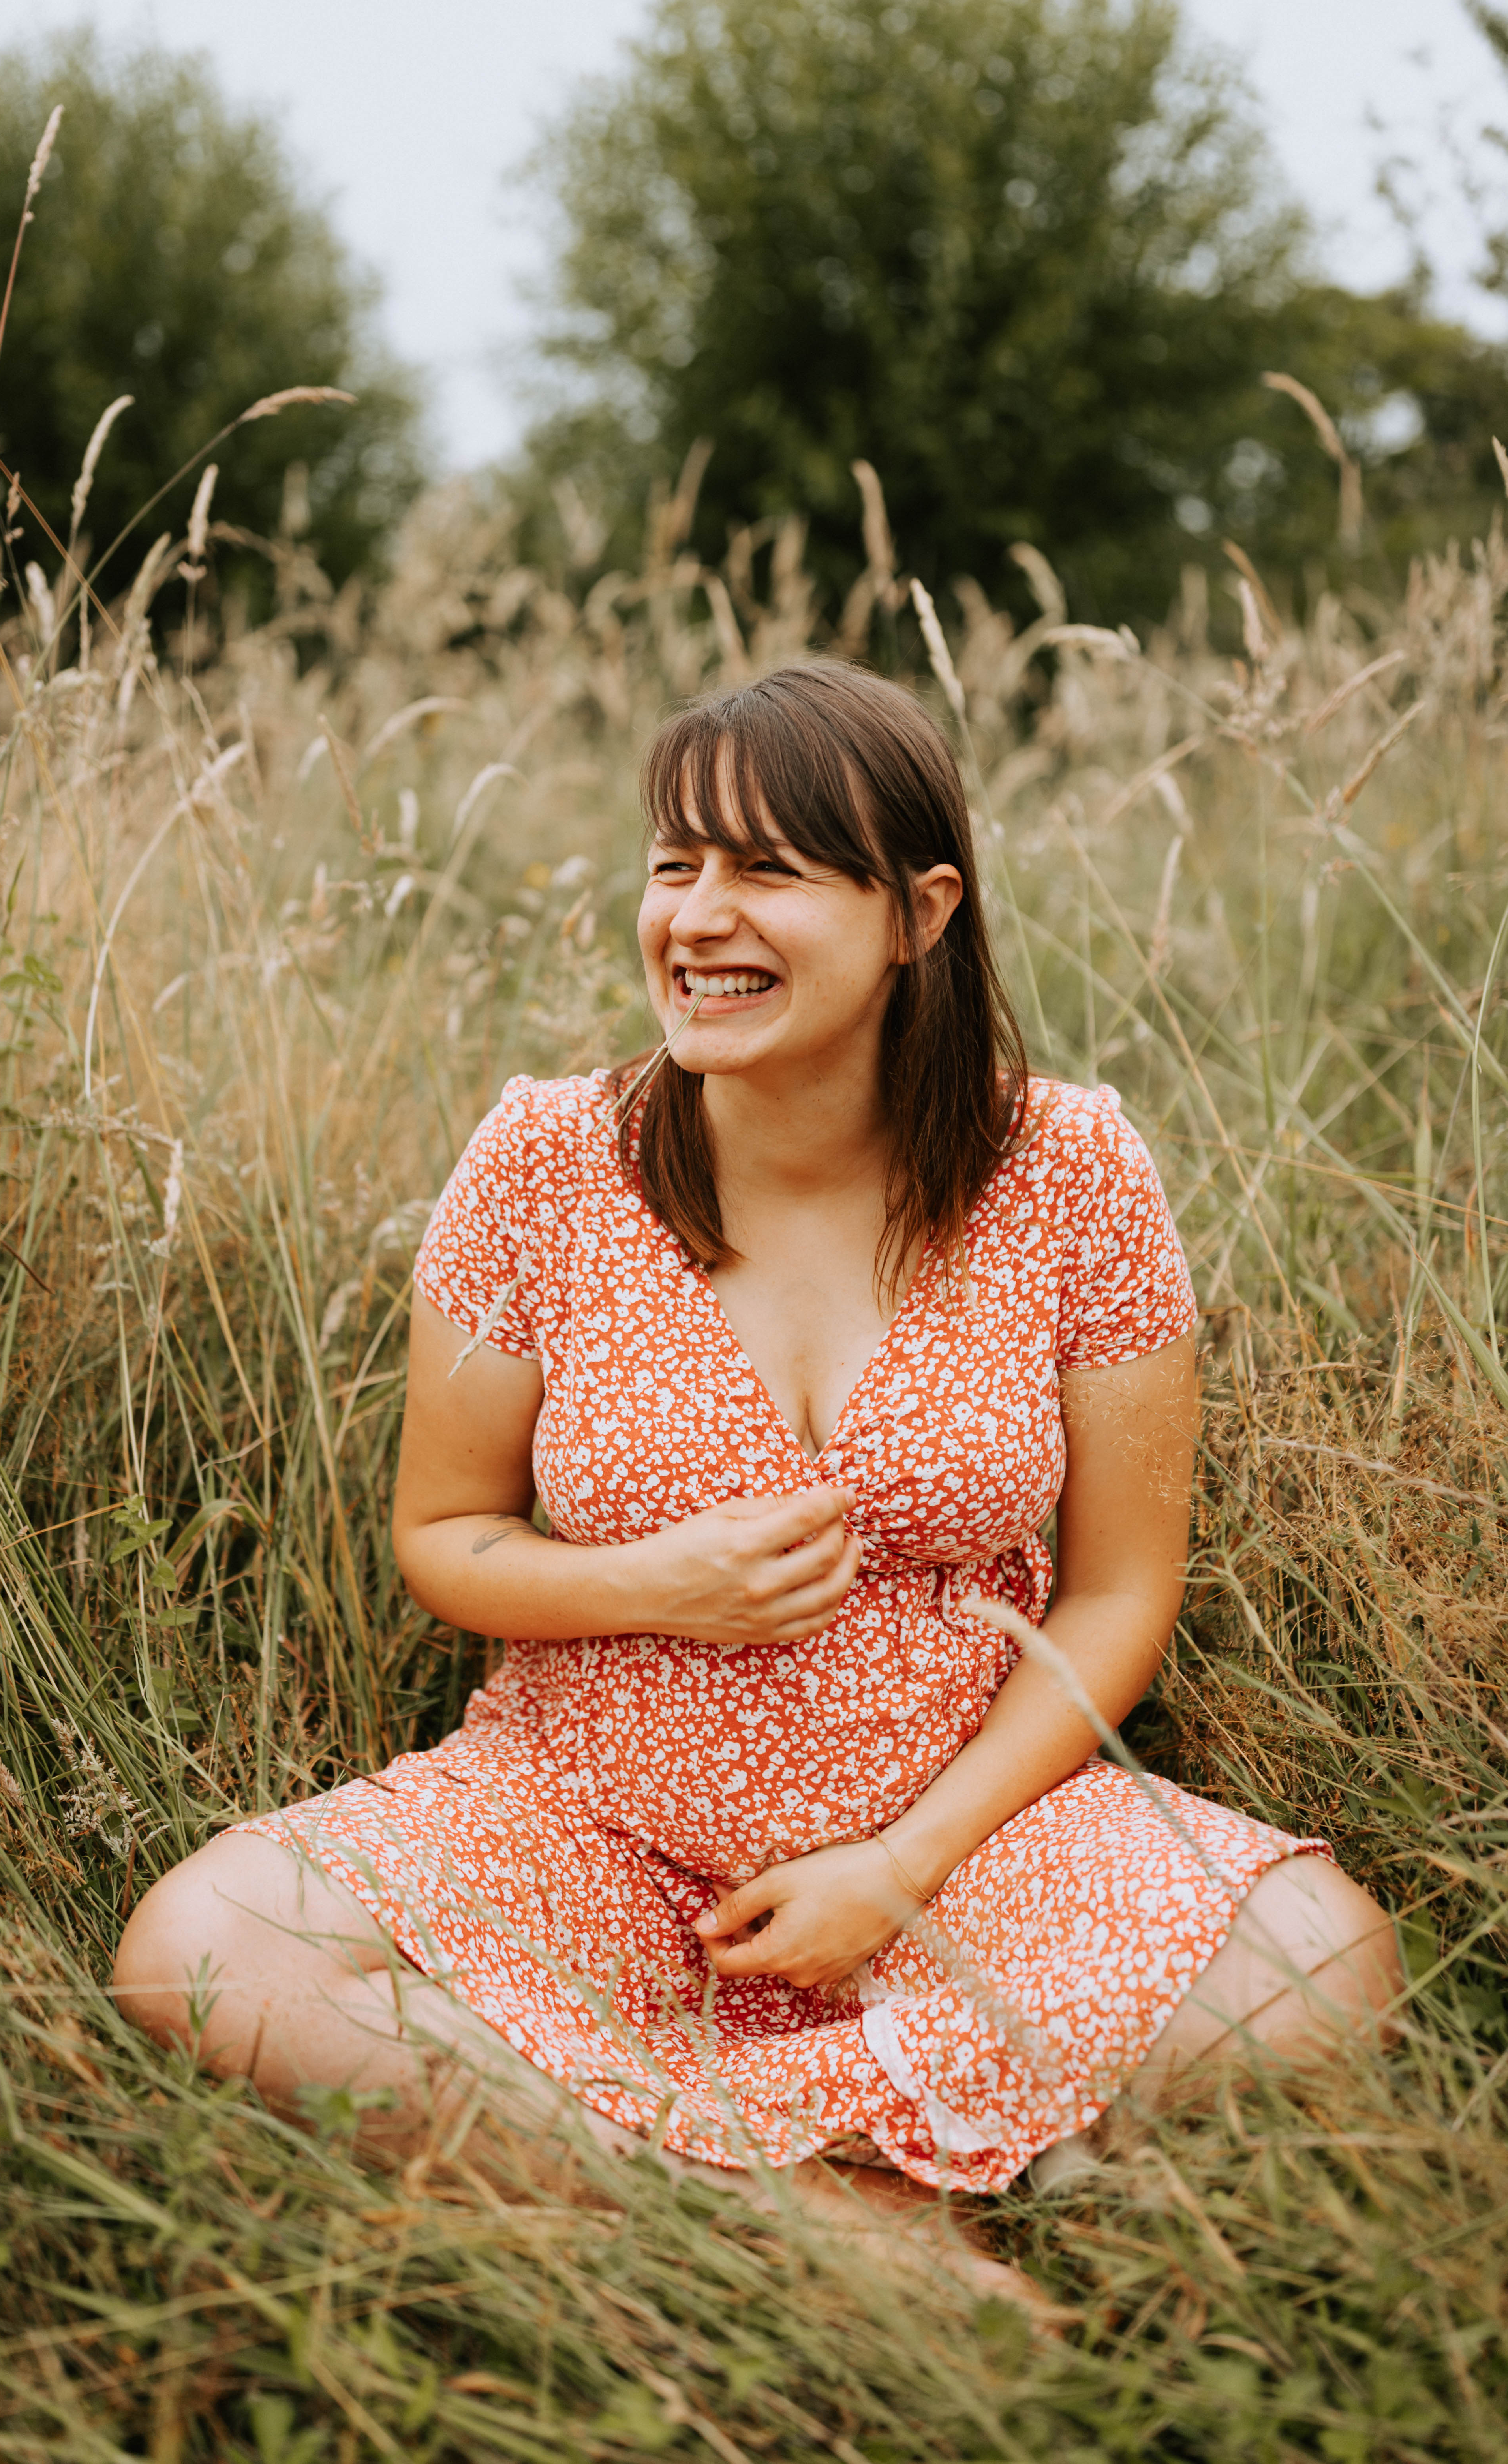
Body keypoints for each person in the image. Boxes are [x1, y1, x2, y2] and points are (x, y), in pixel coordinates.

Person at [113, 660, 1400, 2250]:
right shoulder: (544, 1161)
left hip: (968, 1826)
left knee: (1317, 1964)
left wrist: (904, 1865)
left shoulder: (1070, 1172)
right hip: (587, 1812)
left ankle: (728, 2174)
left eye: (769, 871)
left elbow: (1118, 1591)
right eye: (675, 865)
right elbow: (445, 1536)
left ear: (918, 914)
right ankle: (845, 2229)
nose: (698, 917)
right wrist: (653, 1583)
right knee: (201, 1955)